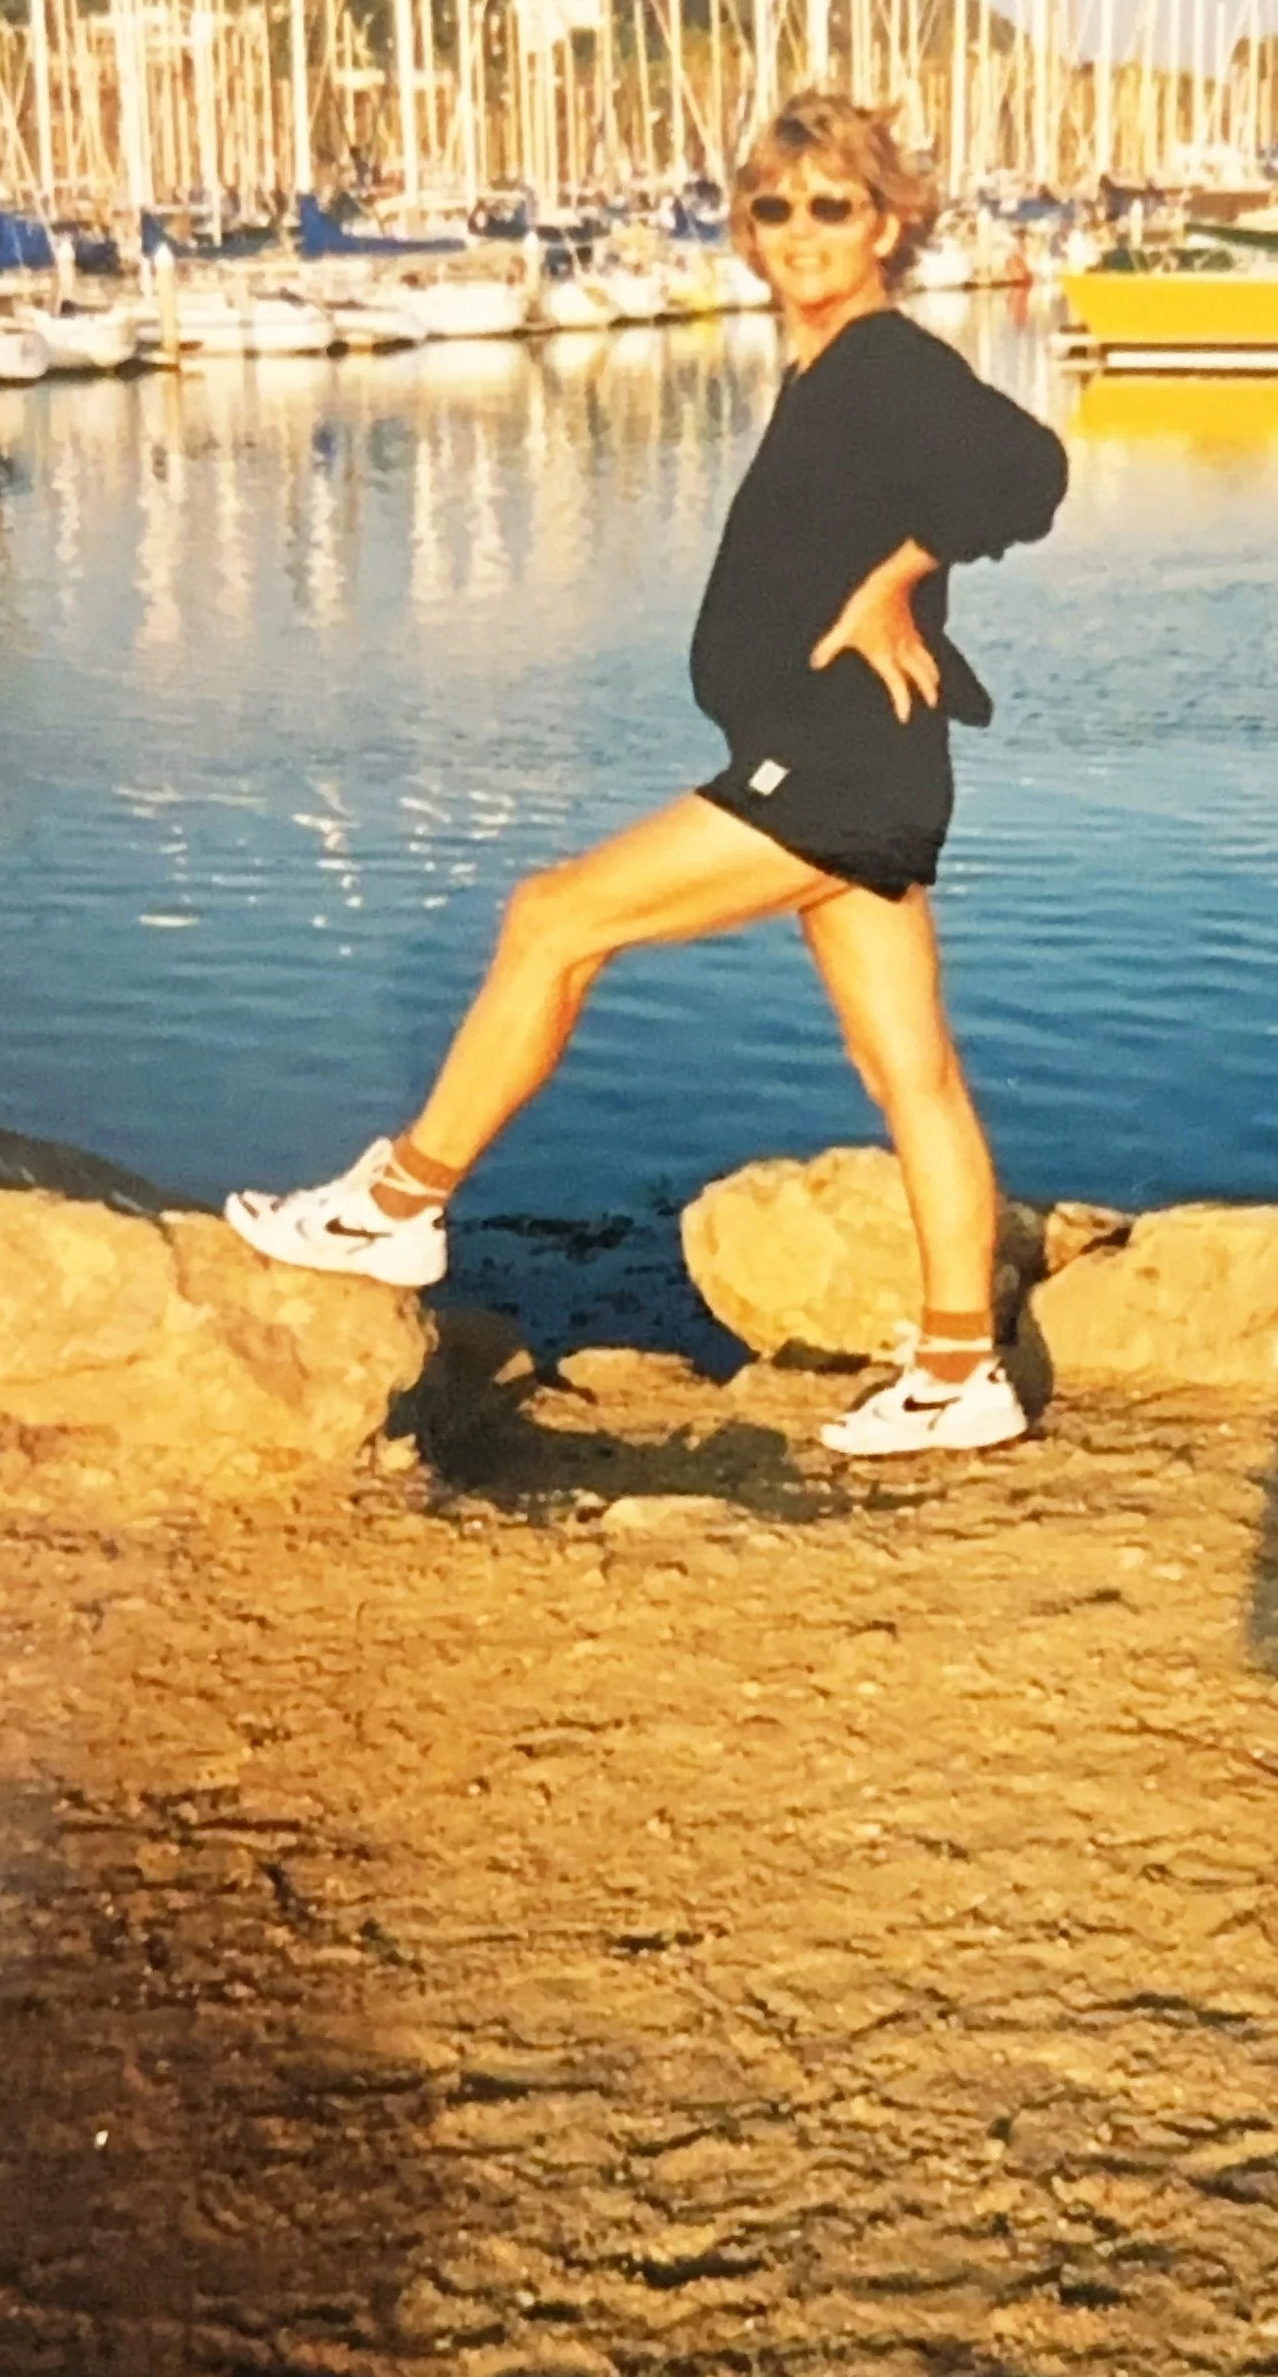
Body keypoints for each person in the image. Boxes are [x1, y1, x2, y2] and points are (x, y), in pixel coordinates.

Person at [226, 86, 1068, 1456]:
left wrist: (901, 585)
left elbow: (1028, 471)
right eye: (776, 206)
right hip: (851, 764)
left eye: (832, 206)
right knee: (910, 1069)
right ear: (748, 223)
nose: (800, 230)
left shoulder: (882, 361)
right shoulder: (826, 363)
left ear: (889, 220)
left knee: (554, 917)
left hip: (836, 773)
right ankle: (963, 1368)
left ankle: (398, 1204)